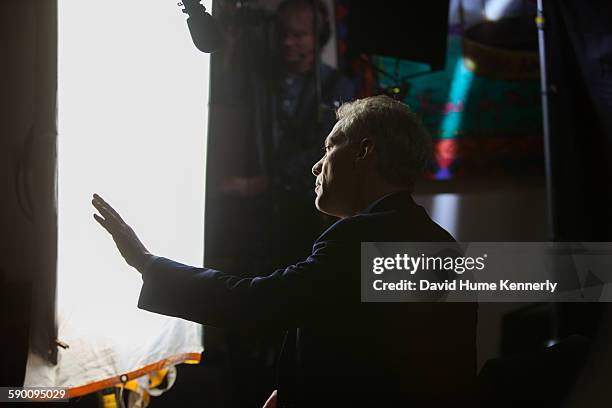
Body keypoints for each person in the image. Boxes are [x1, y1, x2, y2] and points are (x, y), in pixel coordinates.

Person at [93, 95, 477, 407]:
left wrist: (146, 263)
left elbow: (256, 304)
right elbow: (394, 361)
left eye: (330, 146)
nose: (316, 166)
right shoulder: (446, 246)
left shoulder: (356, 240)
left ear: (364, 152)